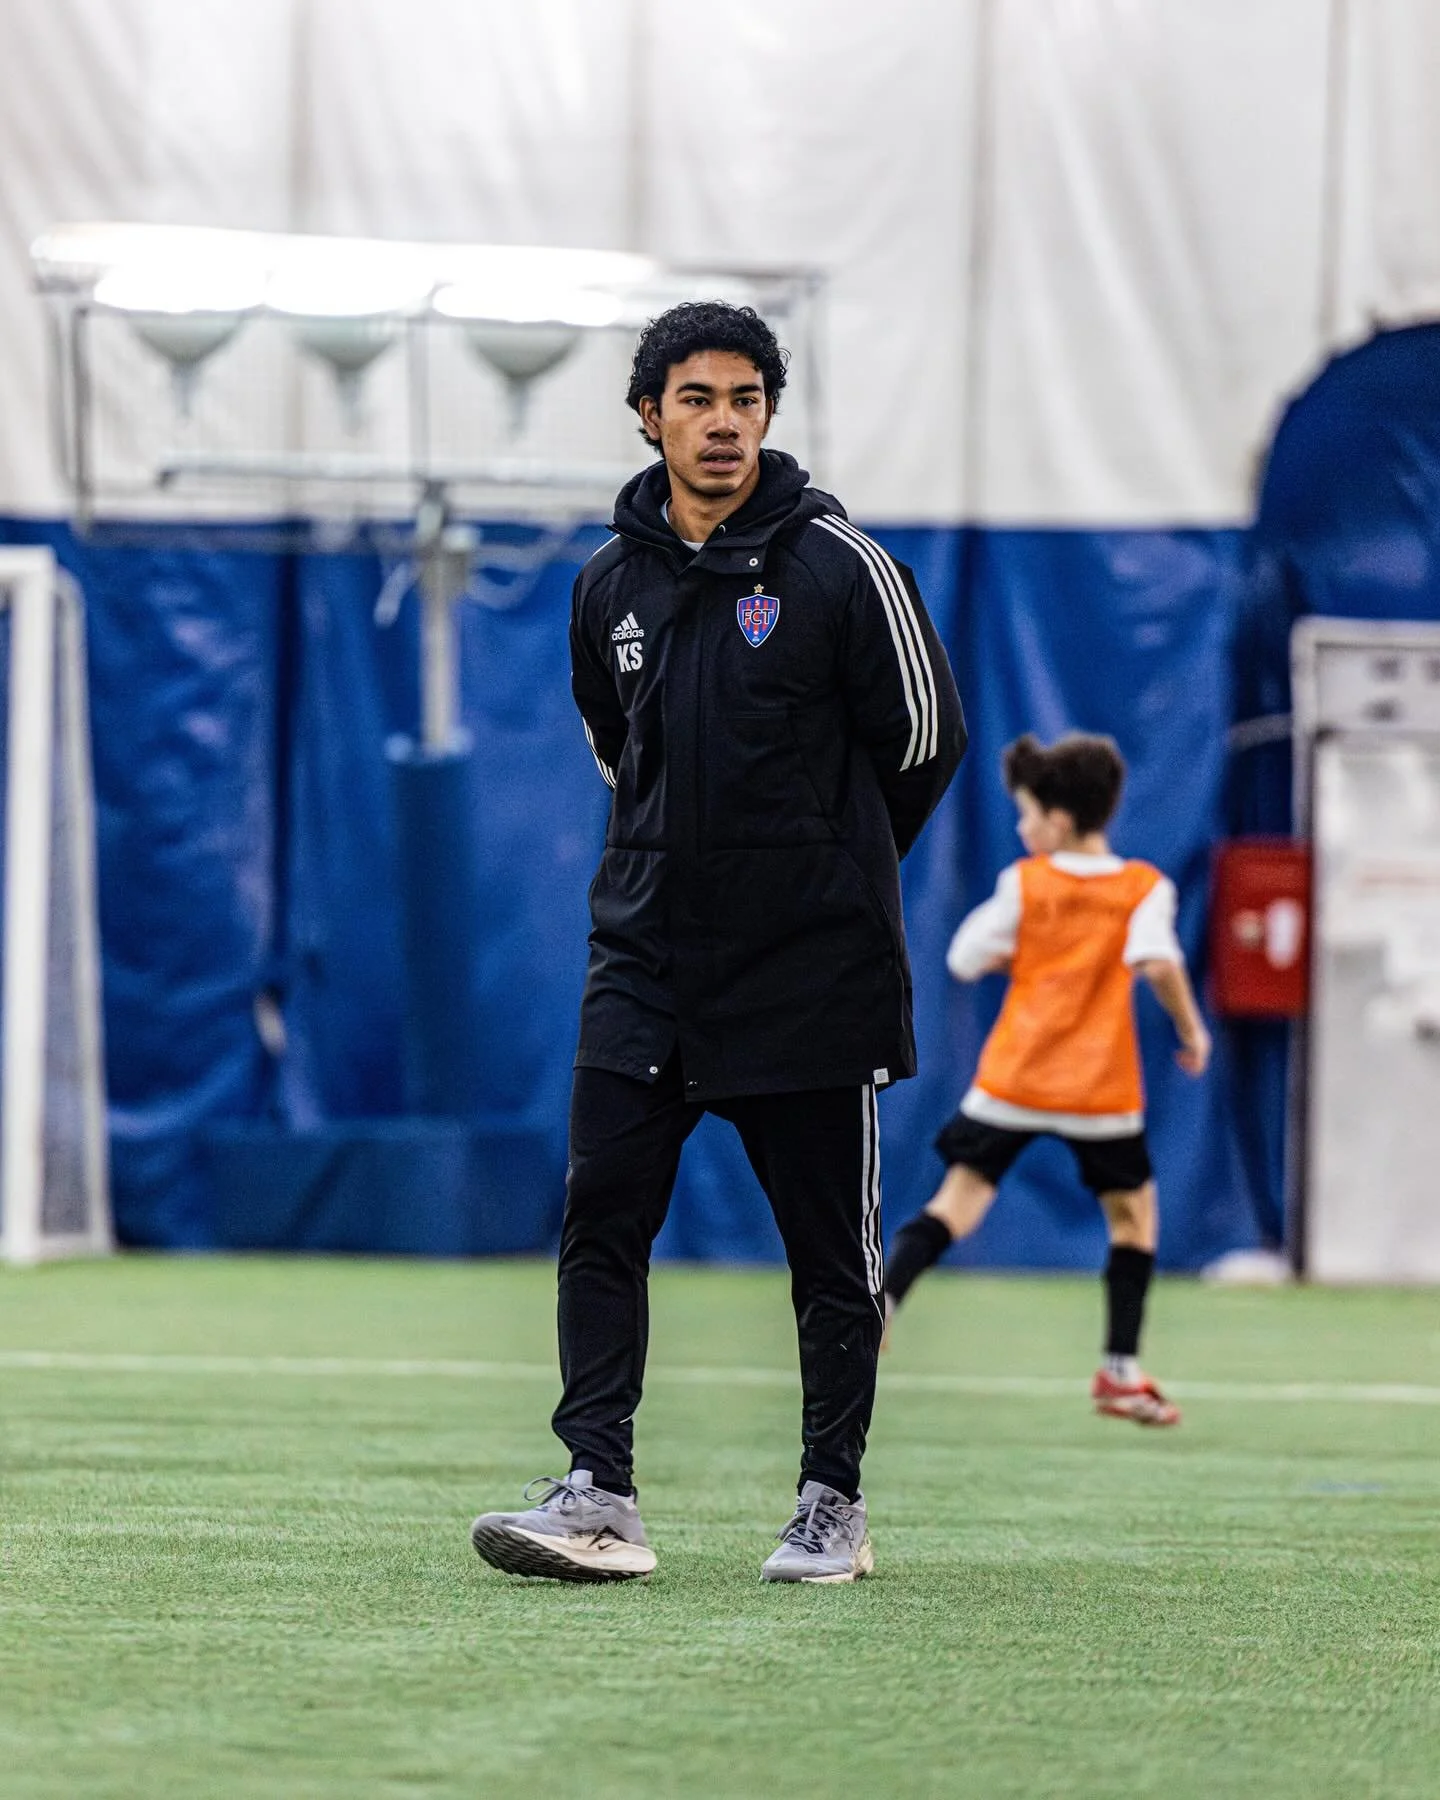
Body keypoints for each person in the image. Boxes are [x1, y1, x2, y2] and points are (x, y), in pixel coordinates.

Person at [469, 300, 965, 1584]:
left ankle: (831, 1502)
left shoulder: (841, 566)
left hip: (809, 969)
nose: (724, 422)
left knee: (829, 1255)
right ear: (650, 416)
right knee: (601, 1219)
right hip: (645, 965)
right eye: (697, 399)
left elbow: (925, 740)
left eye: (746, 400)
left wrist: (824, 865)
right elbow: (618, 748)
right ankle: (598, 1493)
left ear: (769, 416)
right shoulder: (606, 582)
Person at [882, 732, 1210, 1426]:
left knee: (956, 1203)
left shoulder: (1025, 883)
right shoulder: (1142, 888)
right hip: (1099, 1090)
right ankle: (1120, 1370)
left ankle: (880, 1308)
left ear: (1058, 820)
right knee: (1133, 1219)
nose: (1022, 828)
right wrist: (1192, 1031)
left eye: (1027, 814)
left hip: (1014, 1079)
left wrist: (1030, 956)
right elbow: (1157, 961)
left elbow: (966, 957)